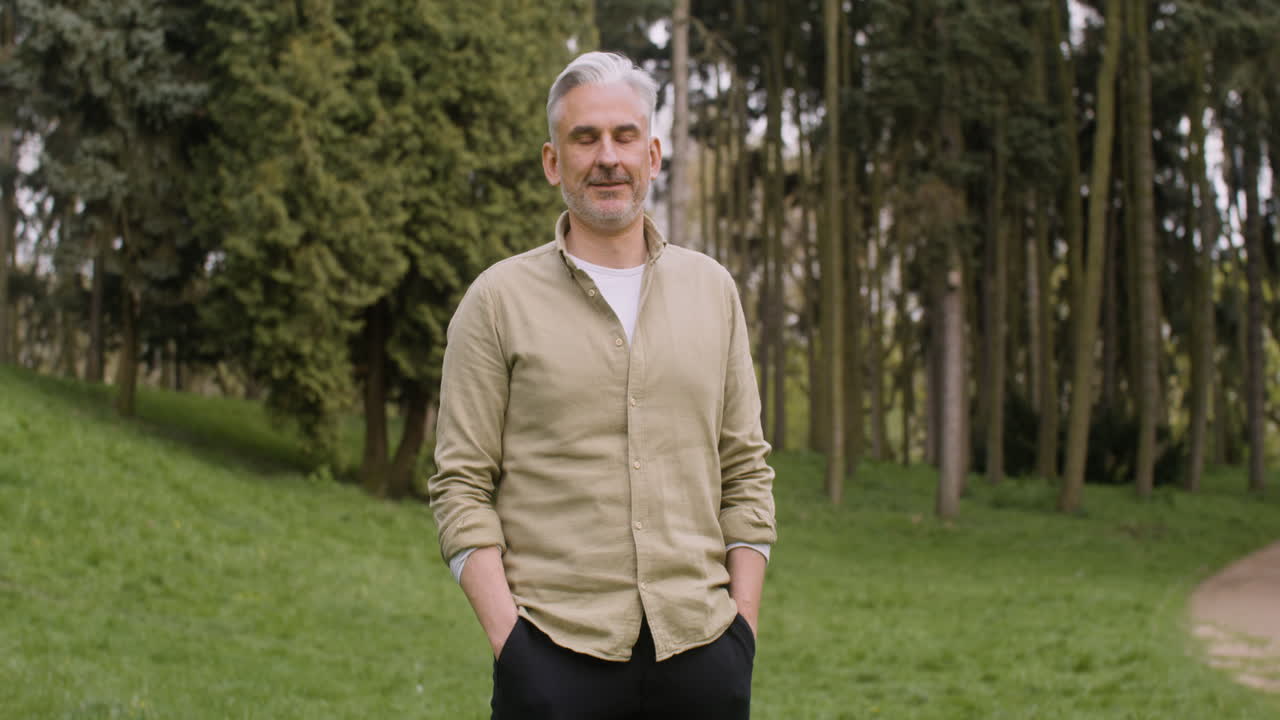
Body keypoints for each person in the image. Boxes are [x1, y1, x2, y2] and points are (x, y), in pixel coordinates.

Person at [428, 51, 776, 720]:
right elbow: (461, 484)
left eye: (623, 137)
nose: (607, 156)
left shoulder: (713, 292)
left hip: (703, 653)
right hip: (553, 658)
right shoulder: (497, 302)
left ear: (653, 154)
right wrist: (512, 645)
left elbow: (746, 469)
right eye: (585, 138)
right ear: (553, 161)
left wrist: (743, 631)